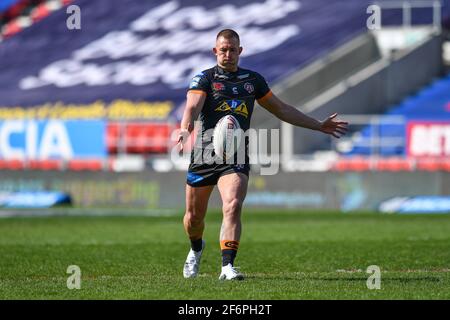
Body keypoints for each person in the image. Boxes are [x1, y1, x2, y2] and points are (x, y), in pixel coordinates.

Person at [177, 29, 348, 281]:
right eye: (223, 49)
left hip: (236, 153)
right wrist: (184, 129)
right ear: (215, 51)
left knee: (233, 204)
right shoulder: (204, 79)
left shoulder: (252, 80)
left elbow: (281, 109)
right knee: (193, 218)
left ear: (240, 51)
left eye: (232, 49)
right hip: (204, 154)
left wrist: (317, 124)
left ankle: (227, 267)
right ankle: (196, 248)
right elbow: (192, 106)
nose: (228, 53)